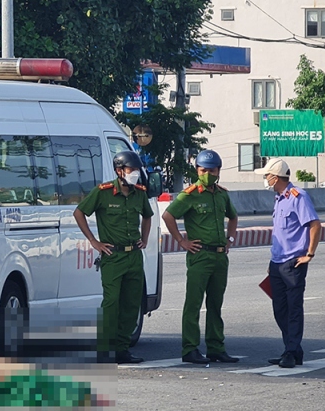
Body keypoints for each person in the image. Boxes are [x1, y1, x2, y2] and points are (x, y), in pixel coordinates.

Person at [74, 150, 152, 364]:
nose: (134, 173)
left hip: (134, 256)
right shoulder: (104, 192)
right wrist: (94, 241)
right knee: (111, 303)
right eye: (130, 170)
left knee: (131, 303)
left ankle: (122, 349)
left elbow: (147, 216)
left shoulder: (139, 193)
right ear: (119, 171)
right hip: (113, 256)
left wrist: (144, 239)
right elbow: (80, 212)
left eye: (136, 170)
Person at [162, 149, 240, 364]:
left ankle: (216, 347)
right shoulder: (190, 195)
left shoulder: (222, 194)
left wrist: (230, 240)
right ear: (197, 170)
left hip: (219, 256)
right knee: (194, 303)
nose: (207, 174)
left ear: (219, 171)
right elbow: (168, 215)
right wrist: (181, 241)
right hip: (200, 255)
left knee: (216, 304)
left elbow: (233, 217)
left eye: (212, 170)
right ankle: (190, 348)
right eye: (203, 170)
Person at [263, 159, 321, 369]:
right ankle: (294, 349)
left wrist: (309, 254)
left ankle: (291, 351)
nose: (265, 179)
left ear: (276, 177)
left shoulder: (298, 196)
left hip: (293, 263)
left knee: (293, 308)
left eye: (267, 176)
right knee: (280, 309)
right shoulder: (280, 198)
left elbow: (314, 224)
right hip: (277, 262)